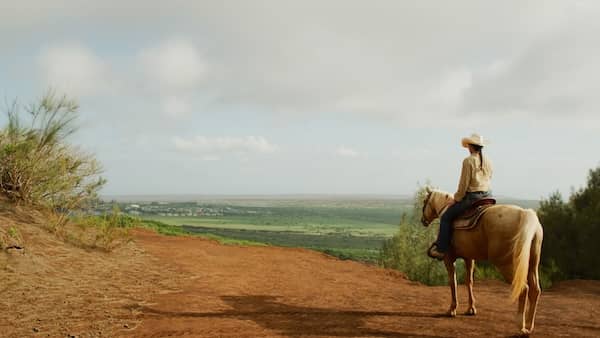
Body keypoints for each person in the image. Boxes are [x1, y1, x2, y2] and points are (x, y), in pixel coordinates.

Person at [429, 133, 493, 260]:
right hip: (487, 196)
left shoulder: (468, 161)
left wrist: (456, 198)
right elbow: (489, 178)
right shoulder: (488, 161)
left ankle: (441, 249)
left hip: (472, 198)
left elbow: (464, 184)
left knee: (446, 217)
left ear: (470, 146)